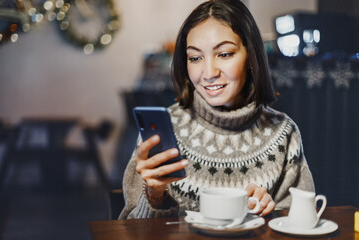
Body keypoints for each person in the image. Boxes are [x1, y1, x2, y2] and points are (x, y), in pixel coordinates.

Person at [119, 0, 314, 219]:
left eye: (224, 54)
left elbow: (299, 223)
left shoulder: (283, 133)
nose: (209, 72)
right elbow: (132, 229)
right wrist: (154, 195)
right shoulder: (162, 132)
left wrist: (270, 213)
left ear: (250, 57)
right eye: (195, 58)